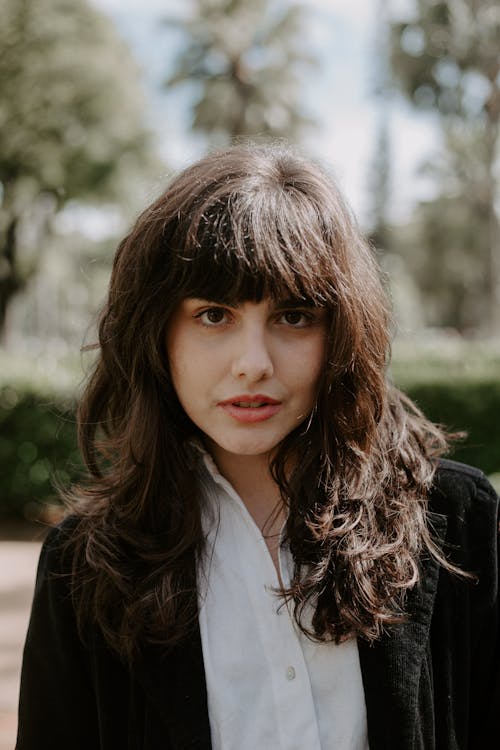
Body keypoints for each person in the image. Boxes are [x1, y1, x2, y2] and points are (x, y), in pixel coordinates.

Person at [16, 144, 499, 750]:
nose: (253, 364)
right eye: (214, 315)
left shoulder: (455, 518)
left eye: (294, 316)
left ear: (343, 332)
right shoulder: (83, 565)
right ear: (157, 332)